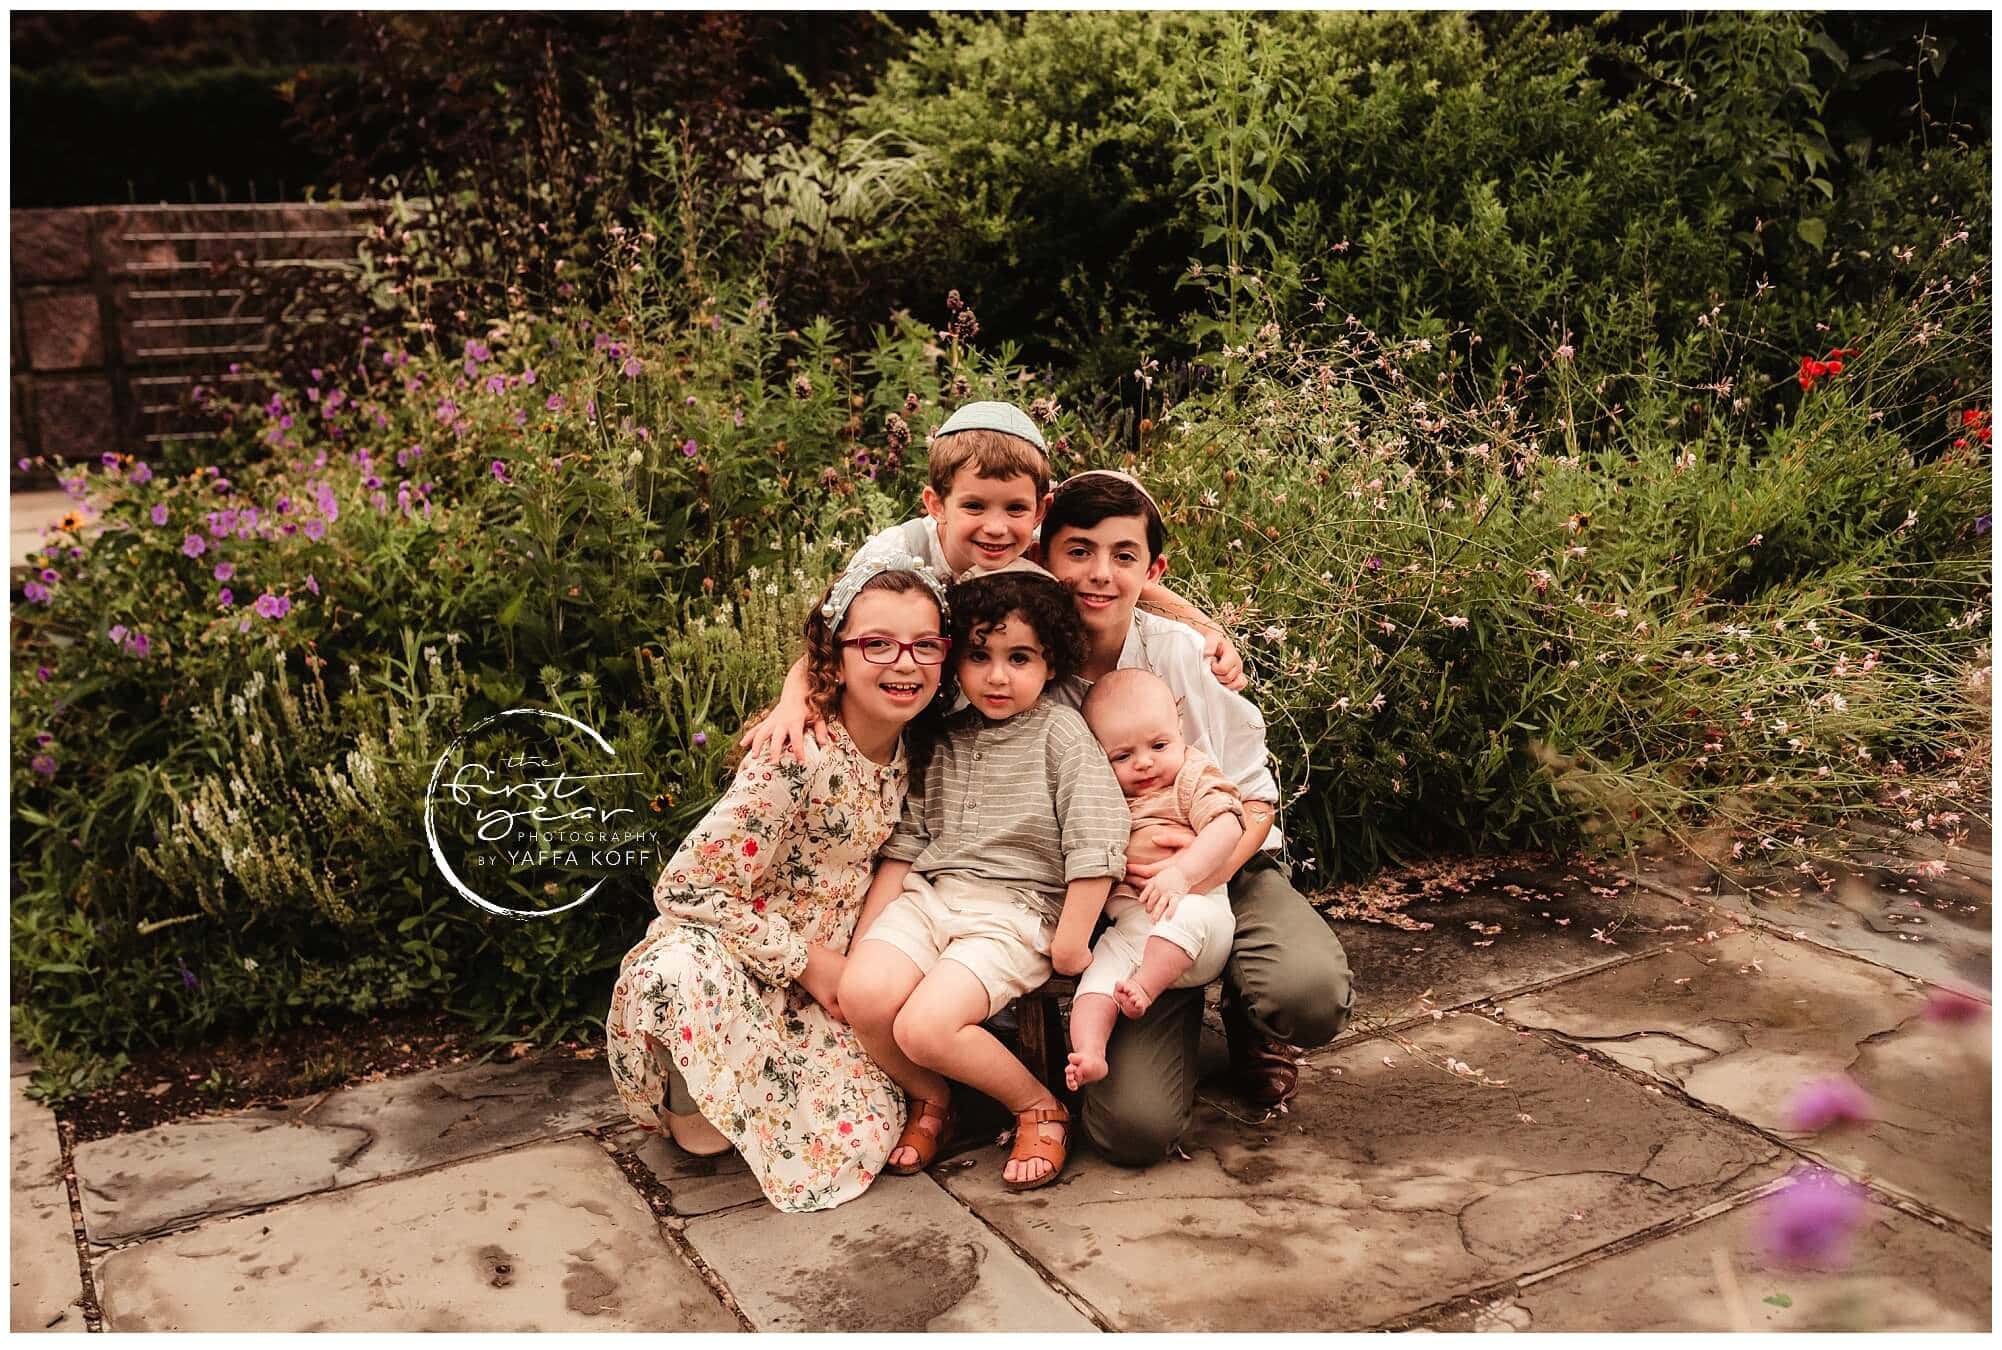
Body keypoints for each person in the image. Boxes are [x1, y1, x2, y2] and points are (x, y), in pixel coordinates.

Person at [604, 554, 952, 1213]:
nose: (904, 663)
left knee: (862, 1133)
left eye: (924, 645)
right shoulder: (800, 753)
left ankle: (756, 1093)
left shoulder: (917, 748)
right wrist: (805, 960)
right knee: (676, 968)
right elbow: (685, 889)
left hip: (836, 974)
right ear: (836, 655)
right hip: (745, 954)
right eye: (876, 644)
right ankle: (692, 1085)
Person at [1040, 470, 1356, 1163]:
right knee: (1132, 1131)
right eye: (1078, 551)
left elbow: (1254, 799)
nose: (1099, 574)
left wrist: (1193, 870)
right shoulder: (1027, 670)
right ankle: (1160, 1013)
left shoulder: (1181, 654)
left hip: (1224, 863)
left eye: (1123, 556)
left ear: (1151, 570)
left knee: (1306, 993)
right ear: (1044, 556)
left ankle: (1254, 1019)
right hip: (1120, 904)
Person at [741, 401, 1244, 764]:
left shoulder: (1029, 539)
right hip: (896, 681)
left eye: (1015, 510)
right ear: (936, 504)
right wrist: (792, 699)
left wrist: (1207, 628)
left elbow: (1121, 579)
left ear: (1040, 511)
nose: (996, 527)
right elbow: (831, 635)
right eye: (974, 506)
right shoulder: (899, 553)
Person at [837, 568, 1129, 1190]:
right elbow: (907, 842)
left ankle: (1036, 1105)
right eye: (979, 656)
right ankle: (934, 1099)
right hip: (933, 896)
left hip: (1014, 911)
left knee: (925, 1025)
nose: (997, 676)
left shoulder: (1063, 736)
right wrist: (865, 936)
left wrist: (1071, 941)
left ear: (1050, 663)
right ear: (955, 660)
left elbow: (1097, 840)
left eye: (1019, 658)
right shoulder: (943, 735)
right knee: (858, 992)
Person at [1064, 668, 1244, 1093]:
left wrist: (1182, 873)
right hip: (1132, 931)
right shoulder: (1100, 790)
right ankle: (1090, 1052)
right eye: (1122, 757)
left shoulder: (1191, 776)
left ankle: (1144, 989)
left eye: (1159, 745)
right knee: (1098, 977)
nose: (1144, 762)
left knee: (1191, 916)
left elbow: (1227, 824)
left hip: (1197, 921)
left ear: (1179, 730)